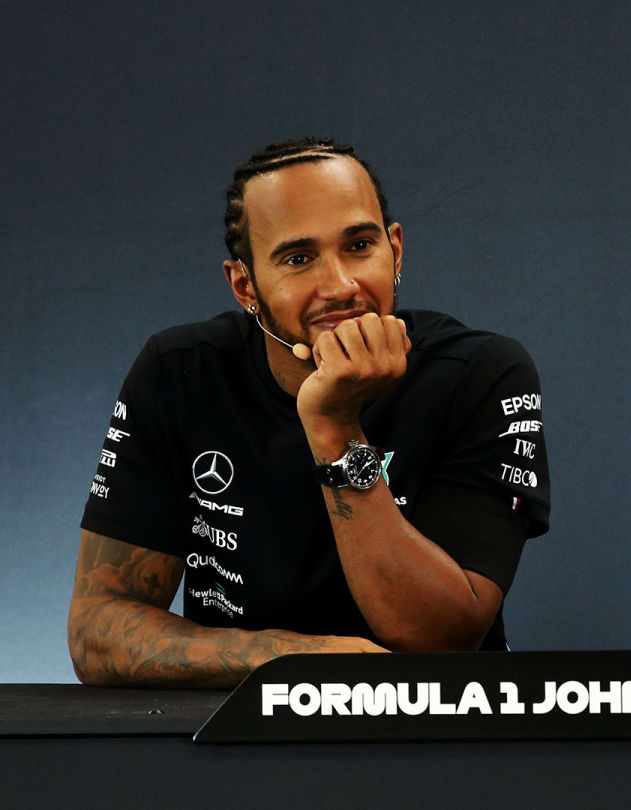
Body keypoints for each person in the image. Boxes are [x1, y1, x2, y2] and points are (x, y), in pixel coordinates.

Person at [68, 138, 550, 687]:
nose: (340, 286)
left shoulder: (480, 372)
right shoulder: (179, 371)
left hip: (432, 742)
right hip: (234, 741)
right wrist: (289, 662)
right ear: (245, 285)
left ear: (395, 250)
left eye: (360, 245)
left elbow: (440, 643)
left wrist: (334, 425)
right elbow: (96, 631)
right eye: (298, 259)